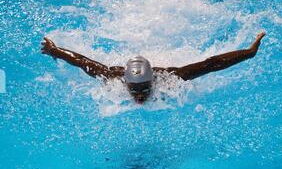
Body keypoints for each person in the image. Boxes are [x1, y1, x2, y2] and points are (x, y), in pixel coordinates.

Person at [41, 32, 266, 104]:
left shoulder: (170, 78)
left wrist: (249, 52)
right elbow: (82, 62)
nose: (139, 96)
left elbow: (211, 64)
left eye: (145, 90)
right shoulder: (114, 78)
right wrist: (54, 50)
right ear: (126, 84)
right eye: (134, 90)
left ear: (153, 82)